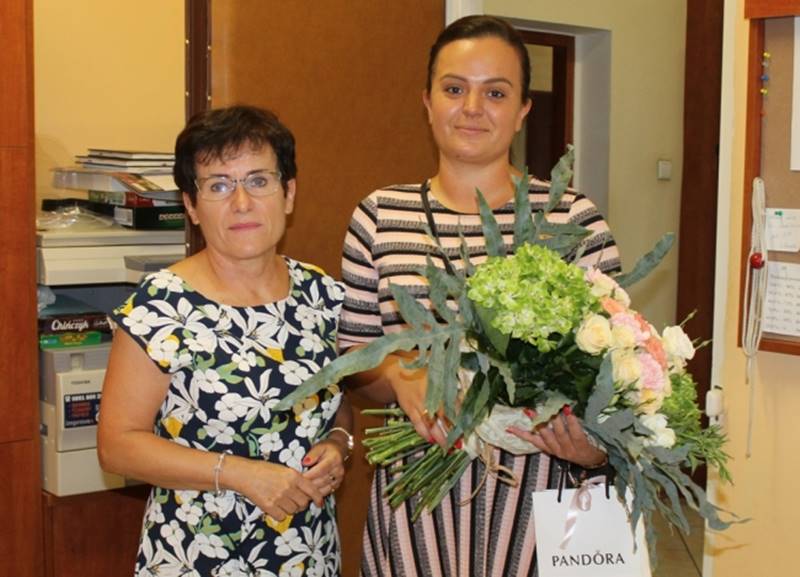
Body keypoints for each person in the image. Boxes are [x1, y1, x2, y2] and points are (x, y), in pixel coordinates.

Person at [339, 16, 620, 577]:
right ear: (427, 102)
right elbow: (354, 366)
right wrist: (397, 373)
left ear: (522, 110)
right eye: (454, 89)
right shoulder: (379, 216)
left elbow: (618, 370)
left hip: (546, 494)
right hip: (420, 495)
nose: (472, 108)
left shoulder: (573, 218)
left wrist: (592, 447)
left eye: (495, 93)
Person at [98, 105, 353, 577]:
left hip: (307, 554)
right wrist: (239, 473)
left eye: (259, 181)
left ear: (288, 193)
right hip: (197, 557)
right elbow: (117, 445)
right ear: (192, 206)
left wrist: (339, 444)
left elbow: (335, 404)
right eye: (218, 186)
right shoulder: (161, 305)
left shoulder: (324, 296)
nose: (241, 202)